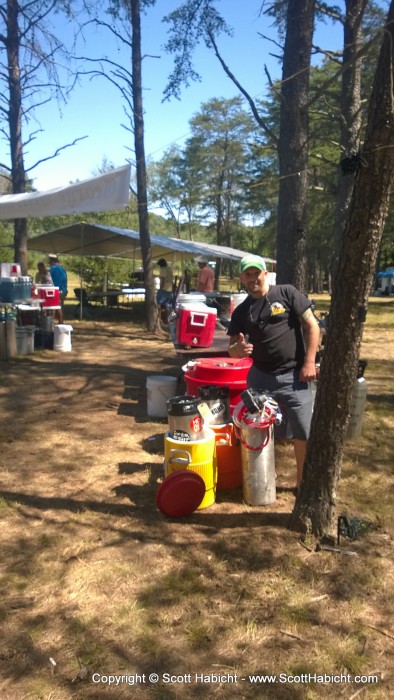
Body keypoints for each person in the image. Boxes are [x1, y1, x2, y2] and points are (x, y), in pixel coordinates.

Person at [227, 254, 320, 489]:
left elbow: (312, 325)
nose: (252, 278)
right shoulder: (241, 311)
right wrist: (237, 350)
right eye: (247, 274)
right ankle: (259, 482)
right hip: (260, 377)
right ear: (242, 277)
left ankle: (302, 486)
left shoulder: (286, 293)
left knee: (303, 432)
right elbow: (232, 348)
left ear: (265, 274)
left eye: (256, 273)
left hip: (295, 376)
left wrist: (310, 362)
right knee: (254, 430)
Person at [48, 255, 68, 324]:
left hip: (56, 291)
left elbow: (48, 279)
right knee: (59, 307)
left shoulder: (53, 268)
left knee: (53, 307)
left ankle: (50, 324)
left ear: (52, 262)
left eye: (50, 263)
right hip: (64, 291)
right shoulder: (63, 269)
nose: (50, 265)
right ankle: (61, 323)